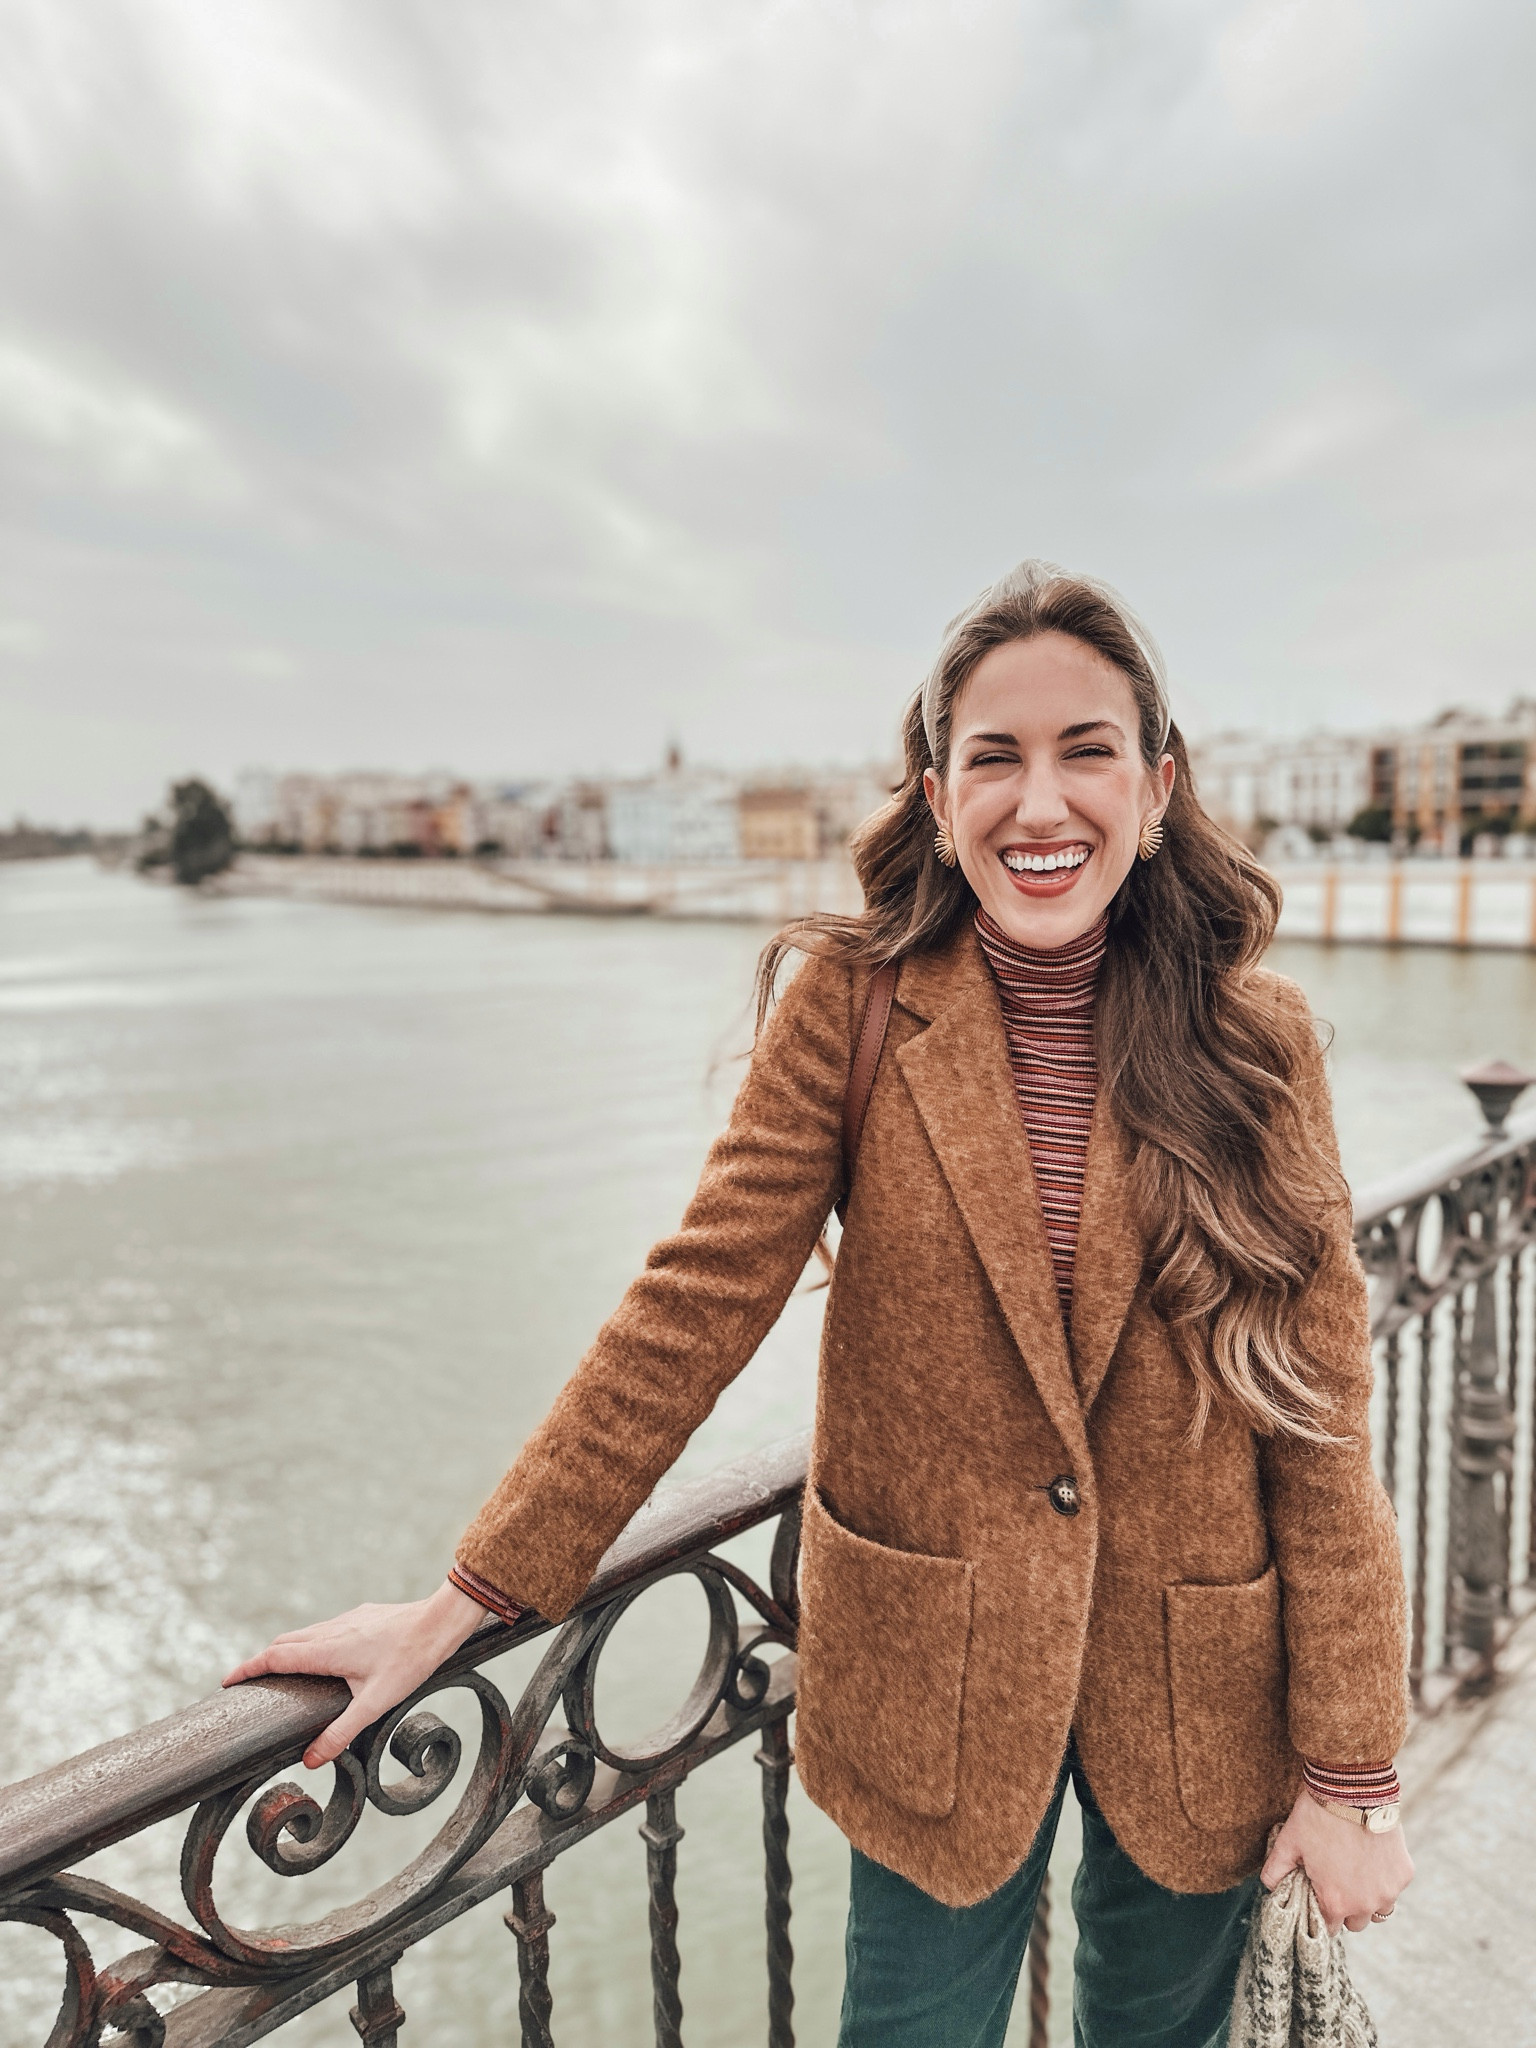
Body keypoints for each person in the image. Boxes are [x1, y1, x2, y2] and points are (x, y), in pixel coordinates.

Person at [228, 561, 1413, 2048]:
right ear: (933, 795)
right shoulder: (855, 1011)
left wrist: (1351, 1766)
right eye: (995, 758)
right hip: (930, 1680)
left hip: (1200, 1681)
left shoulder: (1259, 1042)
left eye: (1086, 752)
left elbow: (1320, 1422)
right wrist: (469, 1596)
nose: (1040, 806)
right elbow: (696, 1305)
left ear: (1159, 787)